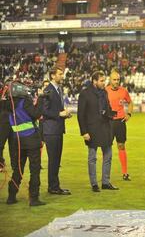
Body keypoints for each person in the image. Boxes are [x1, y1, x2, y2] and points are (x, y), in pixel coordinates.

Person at [6, 81, 46, 206]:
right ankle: (34, 198)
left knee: (17, 170)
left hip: (16, 141)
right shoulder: (25, 101)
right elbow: (36, 114)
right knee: (34, 170)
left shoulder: (8, 104)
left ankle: (11, 196)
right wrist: (40, 98)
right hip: (31, 140)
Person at [77, 70, 118, 192]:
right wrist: (84, 132)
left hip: (105, 128)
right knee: (92, 158)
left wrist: (111, 114)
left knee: (108, 156)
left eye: (104, 80)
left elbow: (107, 108)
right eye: (101, 81)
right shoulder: (85, 94)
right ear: (94, 81)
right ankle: (94, 184)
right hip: (92, 130)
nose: (104, 83)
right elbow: (81, 115)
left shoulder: (104, 92)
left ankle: (105, 182)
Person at [42, 67, 71, 195]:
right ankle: (53, 187)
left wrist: (65, 114)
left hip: (57, 129)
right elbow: (44, 111)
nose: (62, 76)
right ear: (53, 76)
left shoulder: (57, 89)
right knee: (54, 159)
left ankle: (54, 186)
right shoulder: (48, 90)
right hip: (51, 130)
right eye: (60, 74)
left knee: (56, 160)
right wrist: (59, 114)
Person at [105, 70, 133, 181]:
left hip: (120, 122)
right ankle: (105, 174)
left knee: (121, 145)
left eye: (118, 80)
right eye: (114, 79)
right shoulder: (104, 91)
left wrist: (129, 113)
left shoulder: (123, 91)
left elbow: (130, 102)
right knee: (107, 147)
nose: (116, 82)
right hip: (109, 122)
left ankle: (125, 173)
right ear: (110, 80)